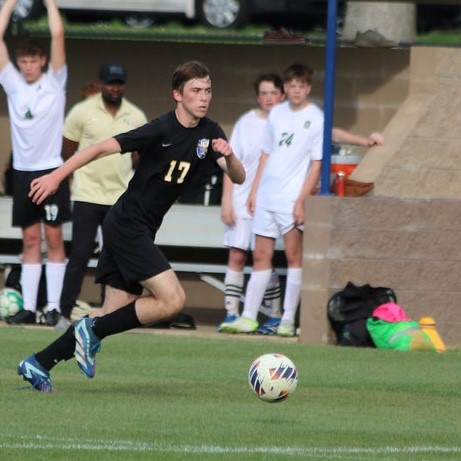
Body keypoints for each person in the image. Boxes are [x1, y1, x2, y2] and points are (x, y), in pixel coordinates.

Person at [16, 60, 246, 392]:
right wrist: (56, 175)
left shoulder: (211, 133)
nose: (204, 97)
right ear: (177, 95)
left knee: (110, 316)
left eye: (208, 90)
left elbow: (238, 177)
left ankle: (38, 364)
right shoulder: (160, 129)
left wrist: (230, 155)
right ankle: (87, 332)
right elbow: (99, 148)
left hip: (139, 228)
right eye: (196, 90)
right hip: (127, 225)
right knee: (172, 301)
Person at [220, 62, 323, 337]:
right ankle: (248, 316)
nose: (296, 90)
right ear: (285, 88)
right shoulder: (276, 114)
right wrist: (255, 191)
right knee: (261, 256)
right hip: (266, 196)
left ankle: (287, 319)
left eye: (301, 86)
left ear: (308, 88)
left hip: (290, 199)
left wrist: (301, 200)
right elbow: (266, 153)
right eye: (291, 86)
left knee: (292, 256)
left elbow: (316, 163)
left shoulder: (316, 117)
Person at [53, 63, 147, 328]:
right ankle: (63, 312)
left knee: (113, 257)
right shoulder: (82, 111)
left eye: (118, 83)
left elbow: (140, 157)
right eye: (109, 83)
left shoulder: (135, 115)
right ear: (102, 83)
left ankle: (108, 315)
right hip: (86, 194)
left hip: (119, 197)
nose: (114, 88)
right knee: (80, 254)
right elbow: (67, 150)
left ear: (124, 85)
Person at [0, 0, 70, 326]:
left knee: (53, 239)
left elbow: (58, 35)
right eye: (23, 61)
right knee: (29, 240)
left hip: (51, 170)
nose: (28, 66)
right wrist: (10, 3)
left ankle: (53, 307)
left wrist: (49, 2)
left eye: (33, 61)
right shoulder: (13, 83)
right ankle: (28, 307)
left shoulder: (55, 81)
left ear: (43, 62)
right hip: (22, 173)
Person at [218, 72, 285, 334]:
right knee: (236, 254)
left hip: (270, 202)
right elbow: (229, 162)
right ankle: (232, 314)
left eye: (273, 93)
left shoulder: (286, 123)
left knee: (263, 256)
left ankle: (274, 315)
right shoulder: (245, 122)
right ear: (258, 96)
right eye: (264, 93)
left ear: (282, 95)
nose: (269, 98)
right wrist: (227, 201)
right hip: (240, 198)